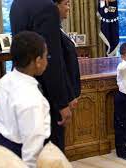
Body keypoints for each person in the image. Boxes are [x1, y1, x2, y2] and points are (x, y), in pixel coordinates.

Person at [10, 0, 77, 151]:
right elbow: (51, 60)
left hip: (22, 87)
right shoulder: (46, 7)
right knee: (51, 151)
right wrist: (62, 102)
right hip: (44, 94)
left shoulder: (17, 3)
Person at [0, 31, 50, 168]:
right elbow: (33, 144)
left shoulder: (4, 81)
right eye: (45, 56)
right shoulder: (32, 98)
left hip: (0, 145)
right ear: (37, 62)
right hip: (18, 154)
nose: (47, 60)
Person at [54, 0, 81, 106]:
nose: (69, 8)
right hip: (64, 96)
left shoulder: (59, 29)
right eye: (66, 4)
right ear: (55, 6)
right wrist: (69, 95)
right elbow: (59, 66)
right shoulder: (54, 32)